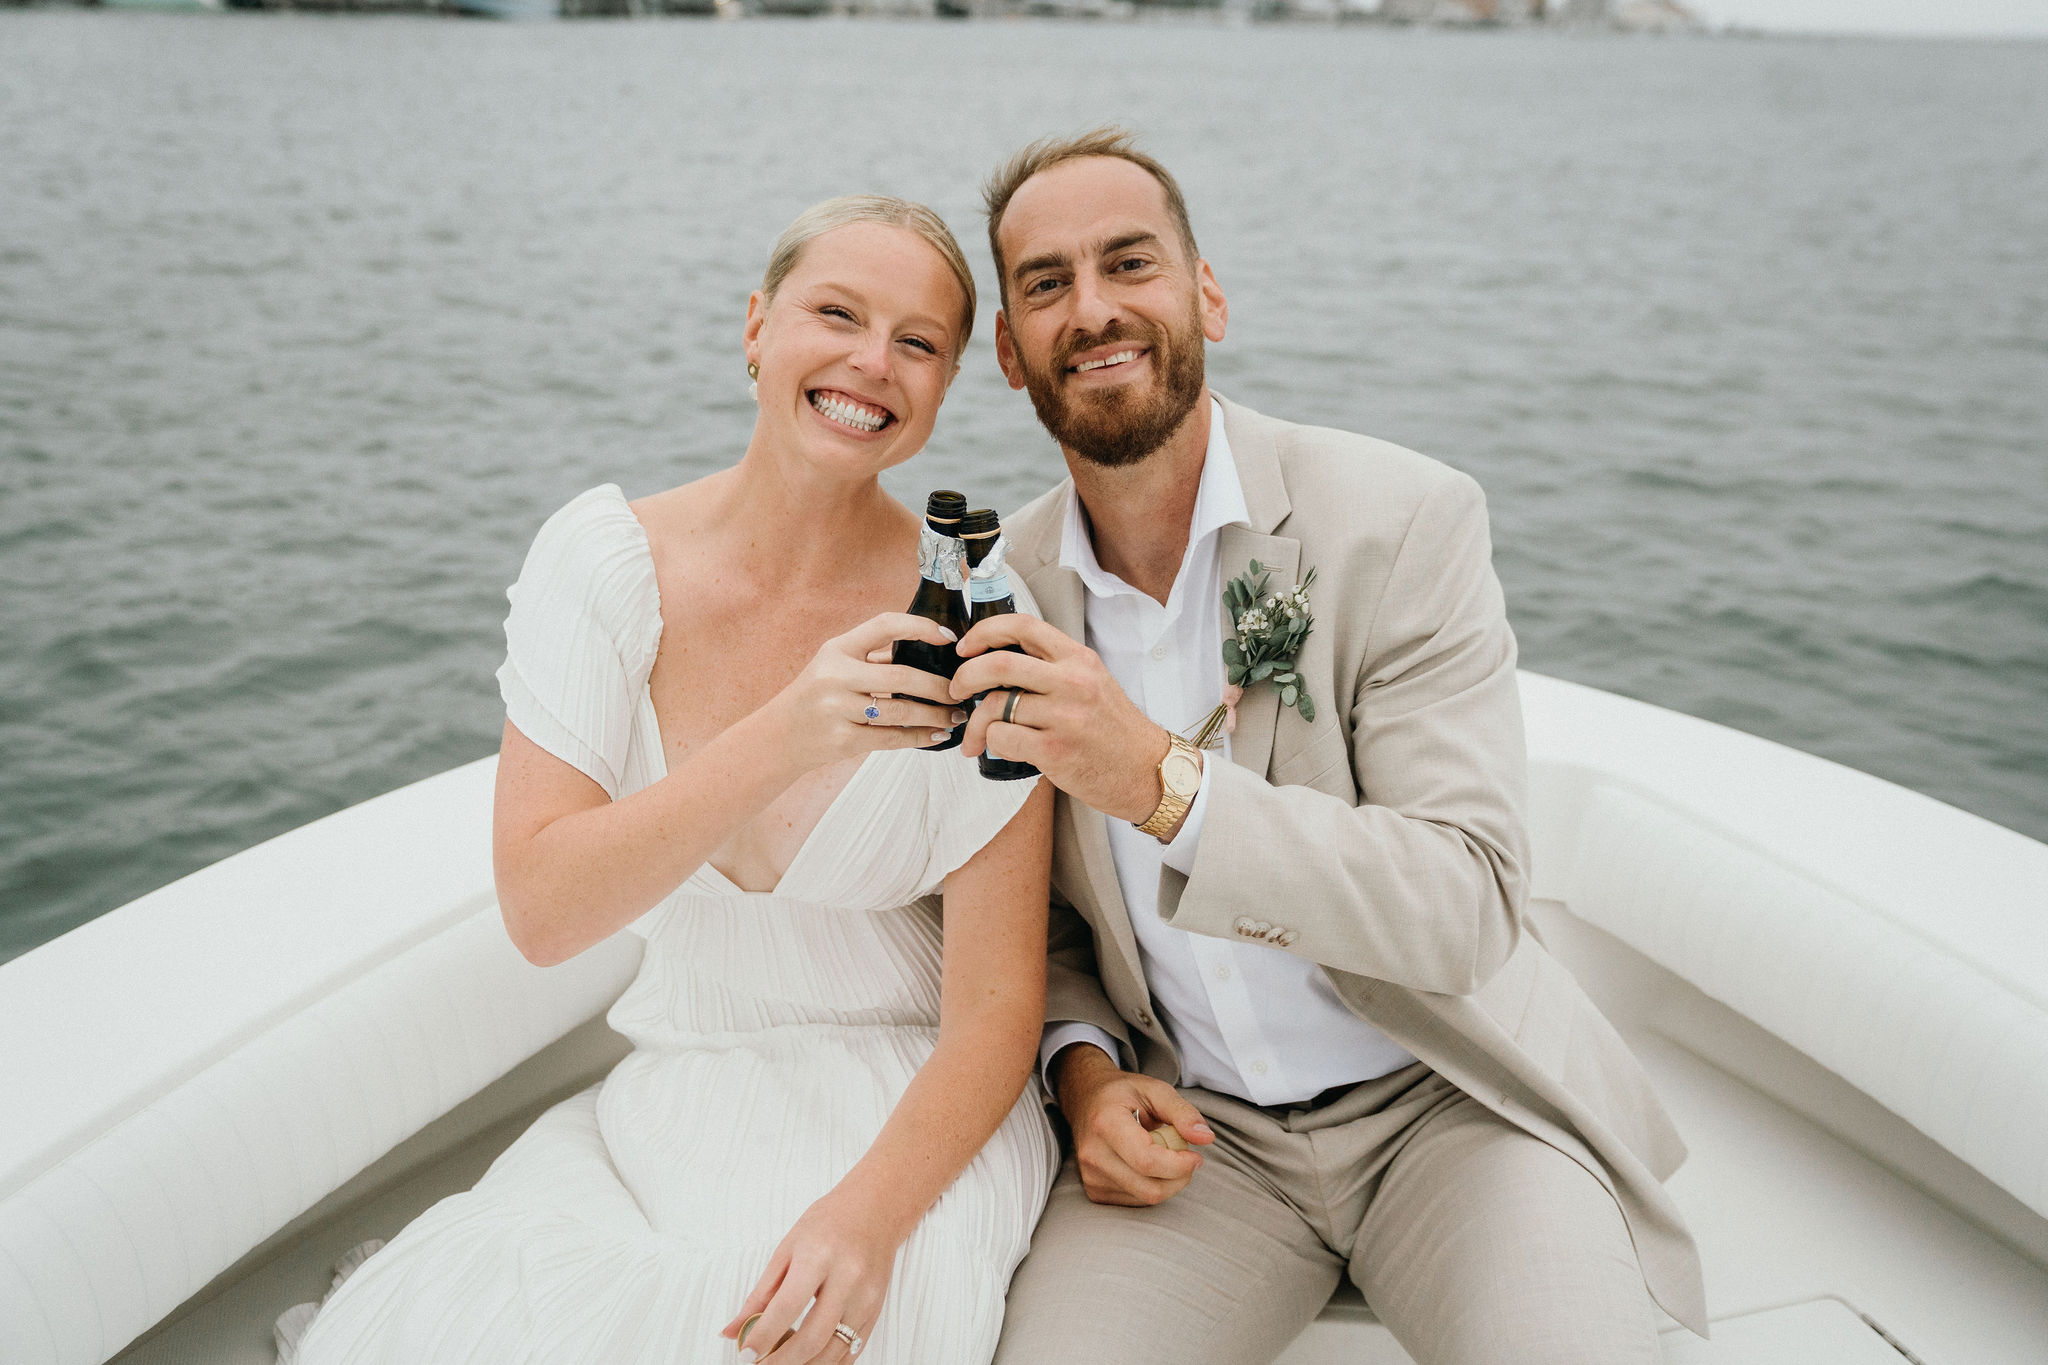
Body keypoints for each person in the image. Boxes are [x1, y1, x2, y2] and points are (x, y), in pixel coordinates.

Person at [947, 130, 1708, 1365]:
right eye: (1044, 284)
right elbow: (1046, 922)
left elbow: (1462, 905)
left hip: (1449, 1105)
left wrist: (1155, 781)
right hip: (1202, 1146)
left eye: (1127, 263)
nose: (1090, 309)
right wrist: (1081, 1072)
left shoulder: (1400, 521)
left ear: (1206, 295)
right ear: (1009, 354)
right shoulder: (1006, 590)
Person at [290, 196, 1058, 1365]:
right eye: (835, 314)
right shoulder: (603, 568)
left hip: (910, 1121)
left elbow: (996, 1016)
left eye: (916, 343)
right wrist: (790, 735)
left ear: (946, 384)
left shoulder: (980, 617)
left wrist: (863, 1222)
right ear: (756, 327)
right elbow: (545, 914)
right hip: (678, 1088)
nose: (869, 362)